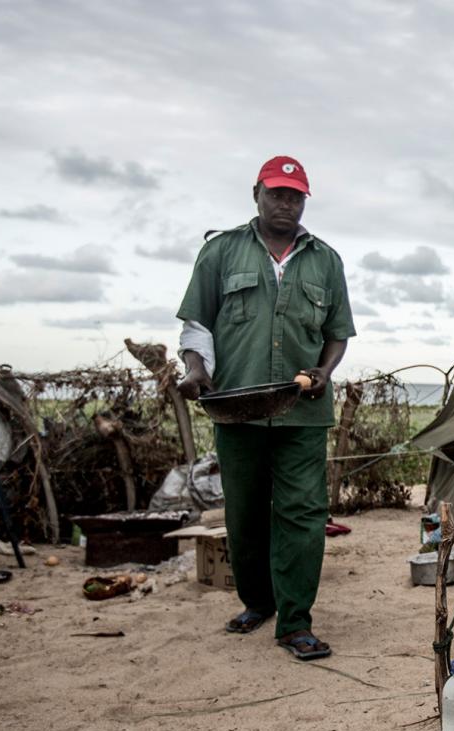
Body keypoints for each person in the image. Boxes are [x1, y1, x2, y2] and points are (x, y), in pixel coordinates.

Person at [175, 156, 356, 661]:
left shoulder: (326, 260)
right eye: (277, 193)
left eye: (295, 196)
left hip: (303, 411)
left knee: (303, 513)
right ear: (256, 193)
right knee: (246, 513)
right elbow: (197, 326)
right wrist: (196, 370)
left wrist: (324, 371)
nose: (286, 203)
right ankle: (259, 601)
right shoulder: (222, 252)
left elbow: (337, 334)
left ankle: (296, 622)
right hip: (238, 409)